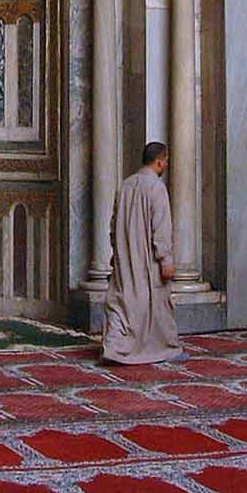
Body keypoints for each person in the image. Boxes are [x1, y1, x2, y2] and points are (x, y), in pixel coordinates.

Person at [101, 142, 185, 365]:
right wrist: (166, 258)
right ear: (160, 161)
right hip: (148, 259)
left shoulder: (125, 186)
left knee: (121, 304)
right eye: (166, 160)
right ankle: (166, 349)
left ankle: (114, 347)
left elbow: (113, 225)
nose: (166, 164)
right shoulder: (156, 188)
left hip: (125, 257)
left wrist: (116, 252)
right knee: (157, 304)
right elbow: (161, 227)